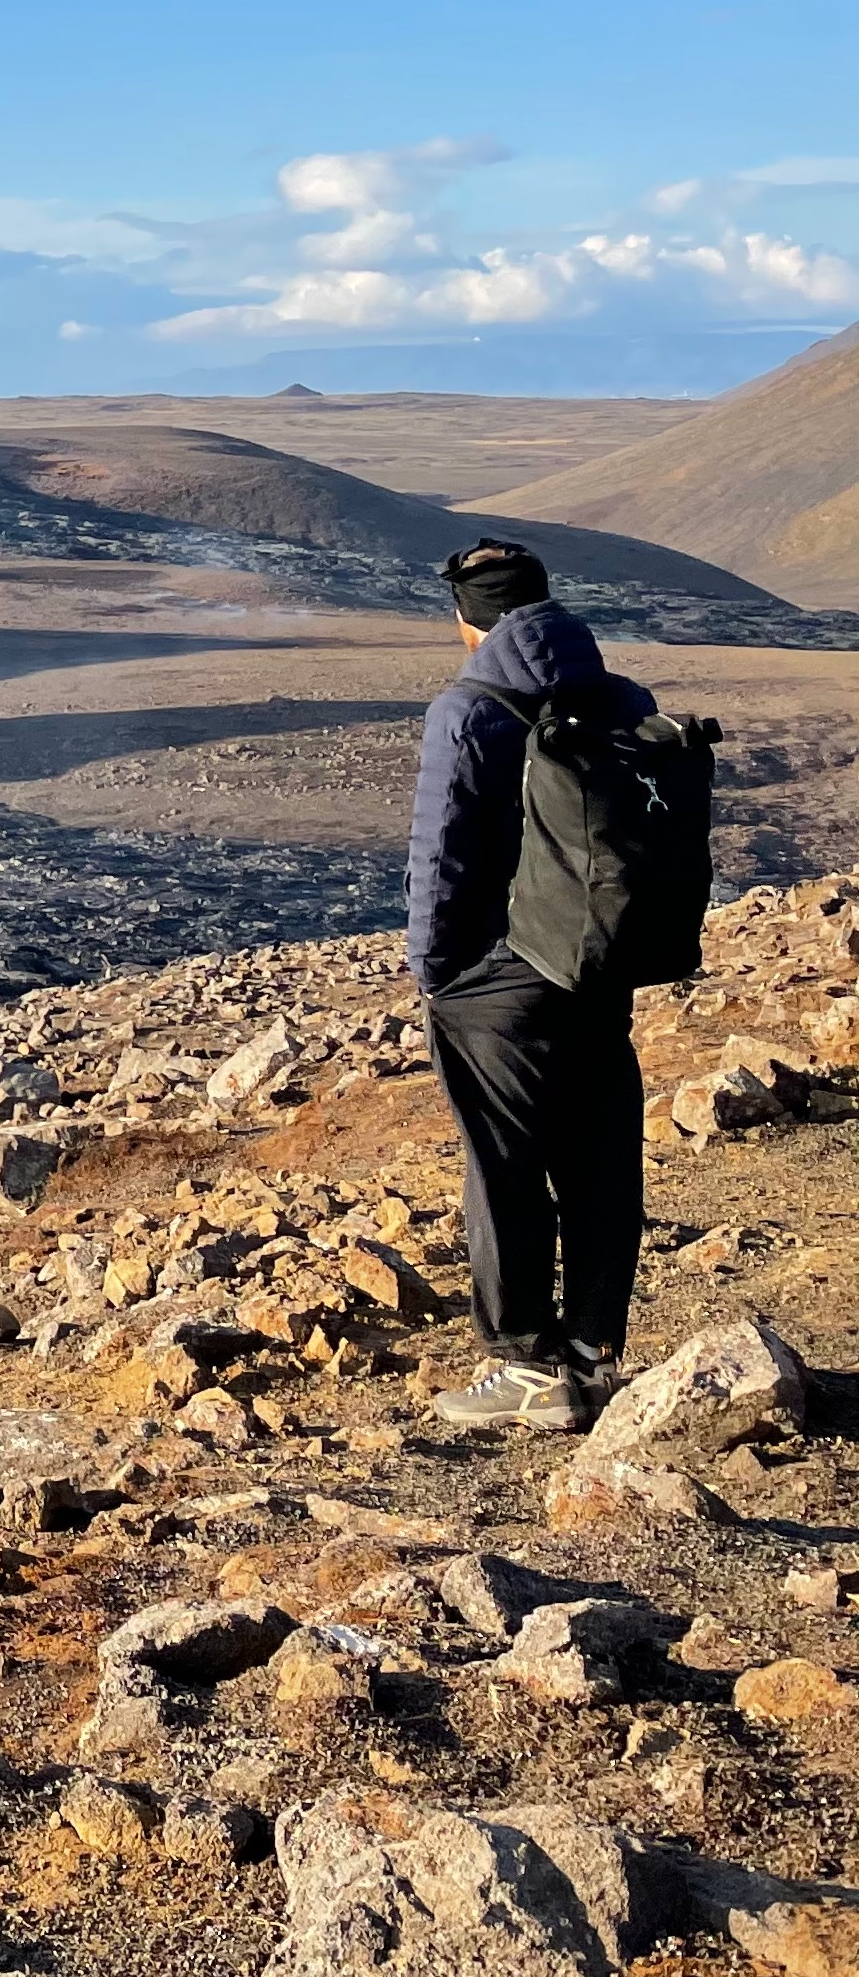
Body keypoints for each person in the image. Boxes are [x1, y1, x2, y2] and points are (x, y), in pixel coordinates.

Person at [406, 538, 653, 1434]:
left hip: (499, 979)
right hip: (597, 961)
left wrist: (437, 974)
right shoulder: (621, 696)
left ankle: (524, 1369)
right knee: (599, 1156)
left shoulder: (469, 708)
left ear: (467, 623)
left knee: (503, 1170)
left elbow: (442, 854)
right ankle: (592, 1353)